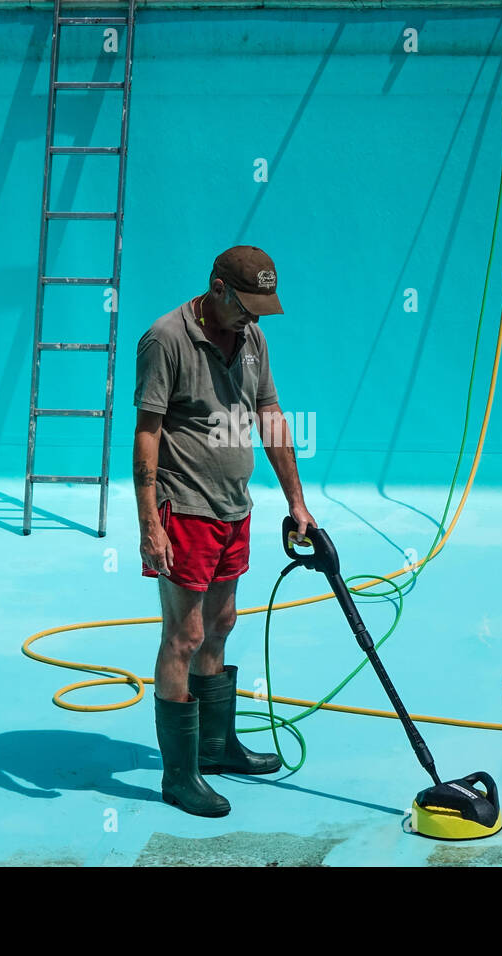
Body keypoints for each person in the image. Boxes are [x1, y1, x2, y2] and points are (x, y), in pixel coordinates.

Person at [132, 245, 317, 817]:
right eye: (247, 304)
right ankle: (179, 776)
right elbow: (146, 433)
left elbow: (270, 416)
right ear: (217, 289)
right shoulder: (165, 339)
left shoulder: (254, 339)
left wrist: (297, 501)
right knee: (183, 637)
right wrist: (148, 526)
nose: (255, 317)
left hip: (234, 510)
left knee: (222, 625)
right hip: (182, 510)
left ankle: (215, 747)